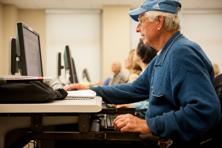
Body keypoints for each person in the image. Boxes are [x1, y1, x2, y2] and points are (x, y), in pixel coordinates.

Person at [65, 0, 221, 147]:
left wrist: (148, 125)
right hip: (160, 136)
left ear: (159, 21)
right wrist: (91, 91)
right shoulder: (163, 56)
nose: (137, 29)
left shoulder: (182, 53)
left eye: (141, 21)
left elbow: (205, 111)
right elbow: (133, 89)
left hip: (171, 141)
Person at [116, 39, 157, 118]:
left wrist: (130, 105)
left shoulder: (152, 75)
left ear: (144, 54)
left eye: (136, 49)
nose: (134, 52)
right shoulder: (143, 73)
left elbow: (152, 103)